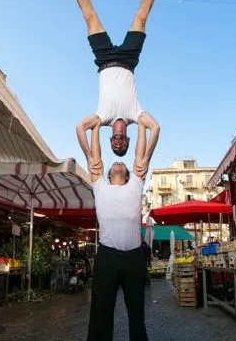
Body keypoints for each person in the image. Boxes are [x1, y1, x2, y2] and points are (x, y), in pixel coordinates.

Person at [50, 0, 172, 156]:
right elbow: (156, 128)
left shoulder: (101, 118)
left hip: (104, 59)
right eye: (122, 142)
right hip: (128, 60)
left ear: (110, 138)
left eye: (115, 142)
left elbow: (79, 128)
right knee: (141, 17)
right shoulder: (137, 115)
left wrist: (90, 157)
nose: (118, 140)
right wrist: (145, 157)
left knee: (90, 17)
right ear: (127, 138)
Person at [76, 115, 160, 341]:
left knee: (136, 314)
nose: (118, 162)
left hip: (134, 258)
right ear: (108, 171)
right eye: (115, 163)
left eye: (122, 163)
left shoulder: (136, 184)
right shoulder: (99, 185)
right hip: (107, 257)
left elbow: (142, 152)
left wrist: (139, 122)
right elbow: (94, 156)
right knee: (101, 313)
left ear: (127, 173)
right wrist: (96, 126)